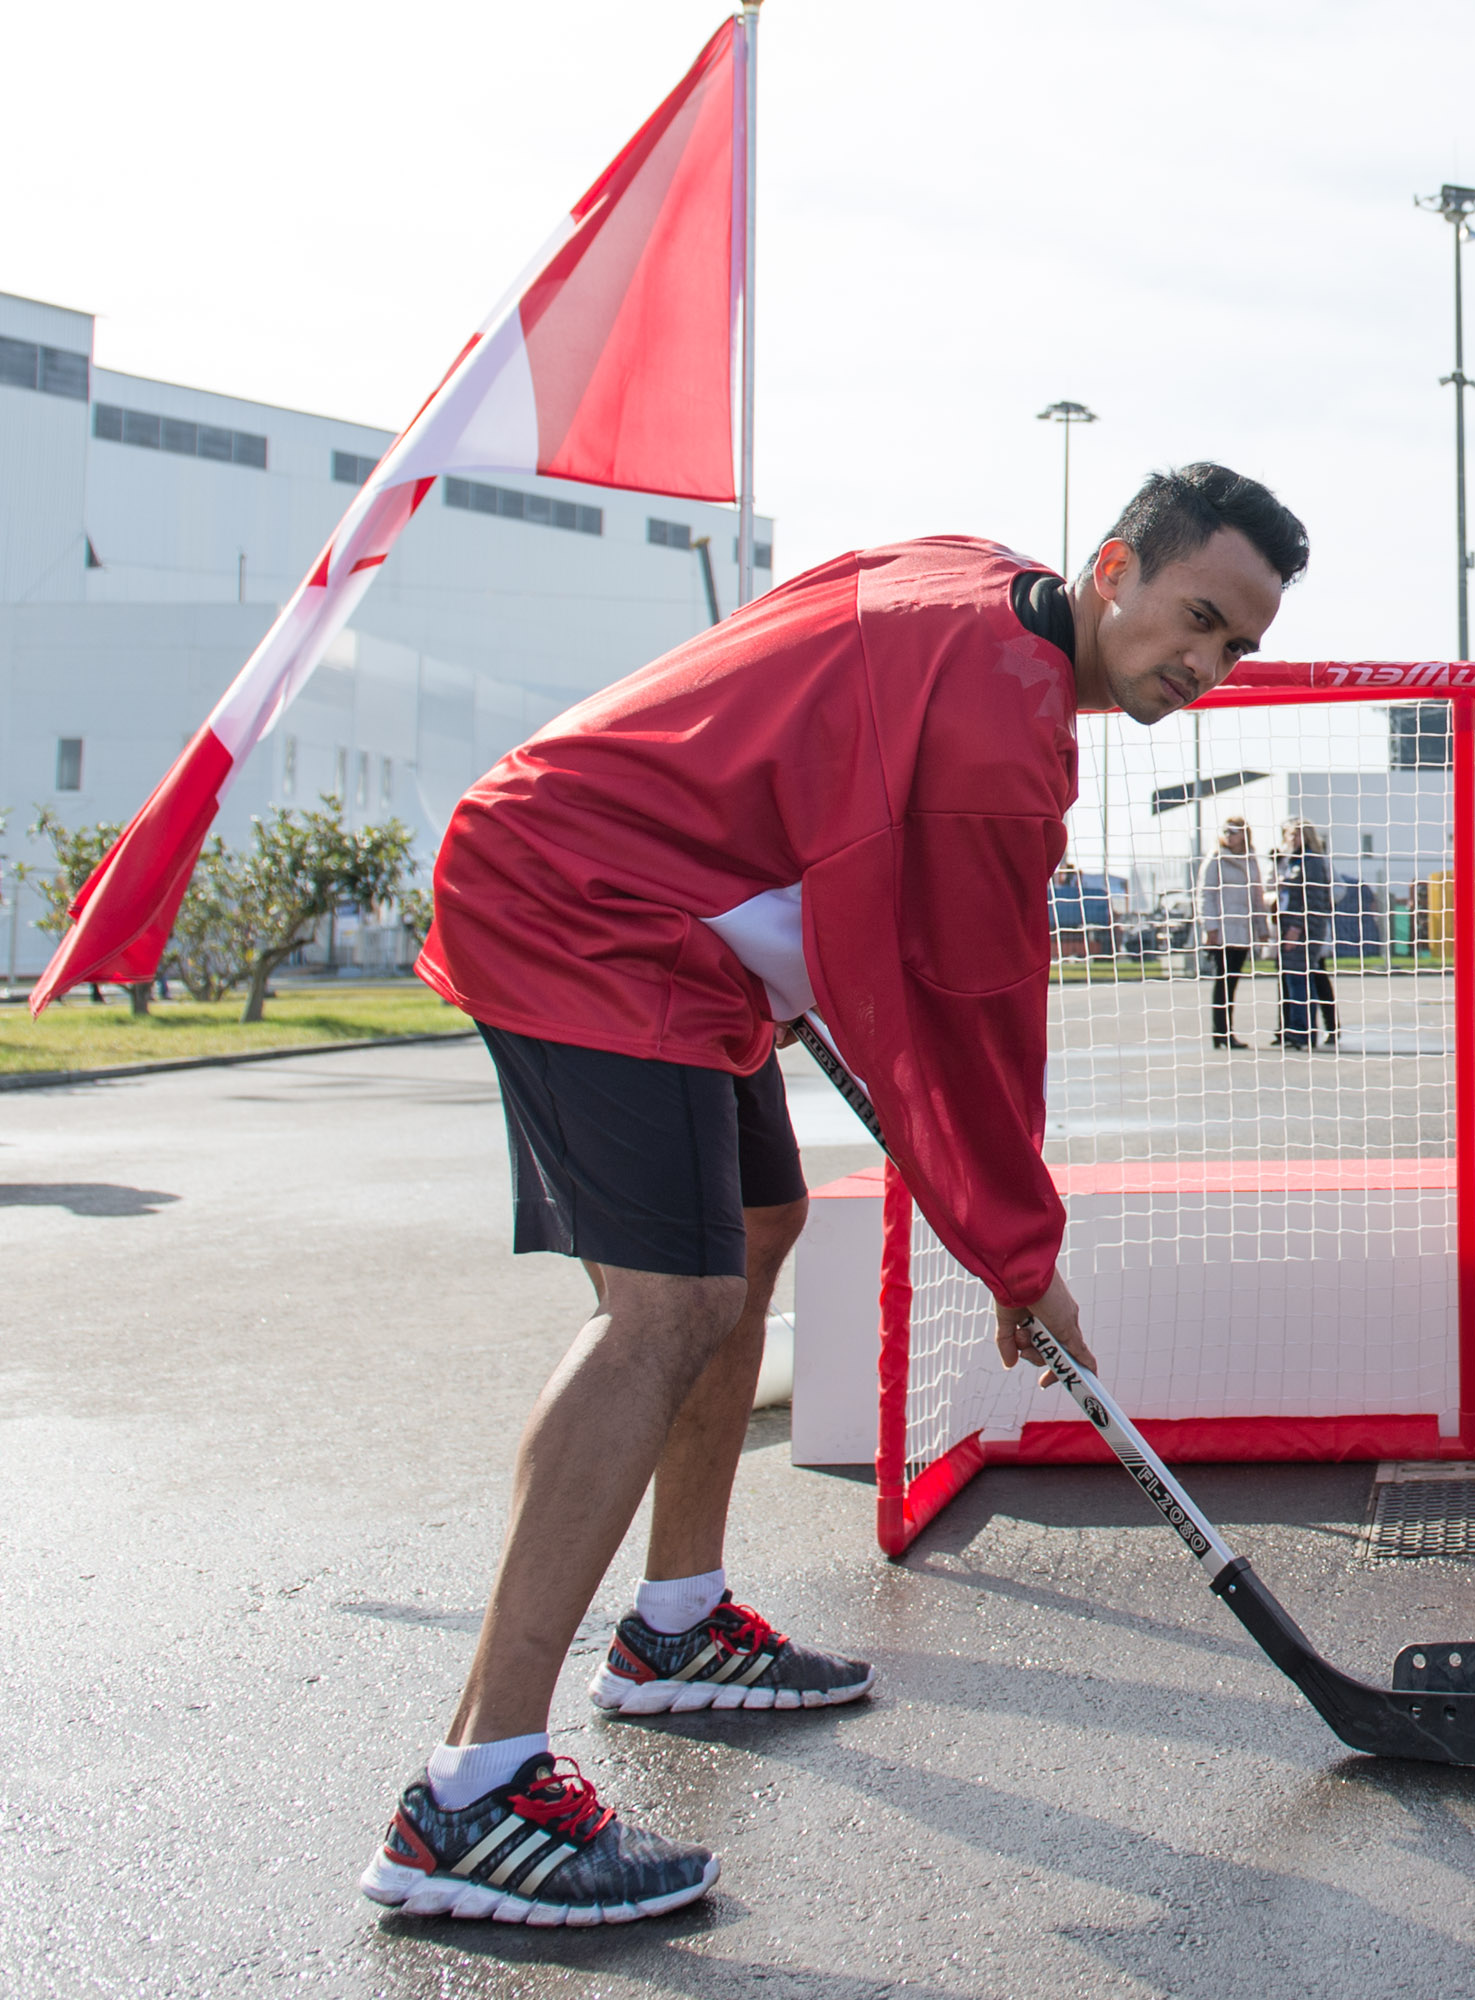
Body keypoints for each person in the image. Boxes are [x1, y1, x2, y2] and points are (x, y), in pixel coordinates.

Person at [363, 464, 1309, 1923]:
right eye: (1197, 619)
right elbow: (967, 1023)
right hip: (589, 899)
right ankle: (472, 1797)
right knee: (666, 1309)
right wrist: (1018, 1254)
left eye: (1238, 647)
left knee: (757, 1227)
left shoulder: (970, 573)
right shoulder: (1008, 739)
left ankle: (674, 1629)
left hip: (668, 903)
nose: (1206, 665)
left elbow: (826, 720)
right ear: (1113, 566)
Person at [1196, 815, 1267, 1049]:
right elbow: (1206, 894)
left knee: (1233, 981)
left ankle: (1228, 1031)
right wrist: (1210, 927)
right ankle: (1221, 1032)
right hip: (1222, 929)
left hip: (1242, 930)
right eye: (1226, 831)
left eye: (1234, 831)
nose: (1229, 836)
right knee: (1223, 980)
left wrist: (1262, 927)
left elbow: (1257, 895)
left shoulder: (1250, 861)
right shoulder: (1216, 859)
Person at [1271, 816, 1339, 1049]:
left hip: (1303, 928)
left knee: (1300, 978)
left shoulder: (1310, 861)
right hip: (1294, 924)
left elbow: (1309, 898)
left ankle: (1303, 1031)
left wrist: (1296, 927)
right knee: (1293, 977)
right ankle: (1295, 1029)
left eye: (1293, 835)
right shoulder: (1294, 860)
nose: (1290, 839)